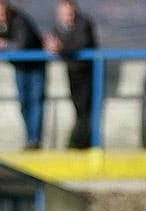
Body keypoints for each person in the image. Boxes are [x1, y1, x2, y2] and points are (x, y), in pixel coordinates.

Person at [0, 0, 45, 150]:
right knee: (23, 102)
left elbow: (22, 45)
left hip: (35, 64)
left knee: (36, 101)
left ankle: (35, 140)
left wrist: (5, 45)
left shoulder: (19, 20)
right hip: (20, 66)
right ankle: (29, 138)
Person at [45, 0, 98, 150]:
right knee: (78, 108)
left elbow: (82, 43)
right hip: (72, 72)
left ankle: (80, 144)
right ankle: (79, 142)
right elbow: (53, 41)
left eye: (69, 12)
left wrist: (61, 47)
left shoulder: (84, 23)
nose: (67, 16)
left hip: (88, 72)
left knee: (85, 110)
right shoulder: (59, 26)